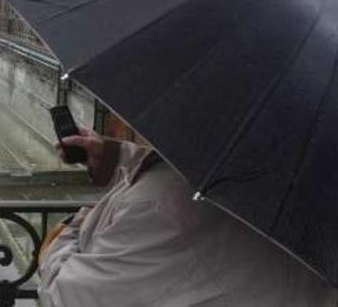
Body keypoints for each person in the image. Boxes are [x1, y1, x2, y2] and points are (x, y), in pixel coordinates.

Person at [38, 127, 338, 306]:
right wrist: (116, 156)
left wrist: (68, 232)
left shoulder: (163, 205)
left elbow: (67, 296)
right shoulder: (313, 179)